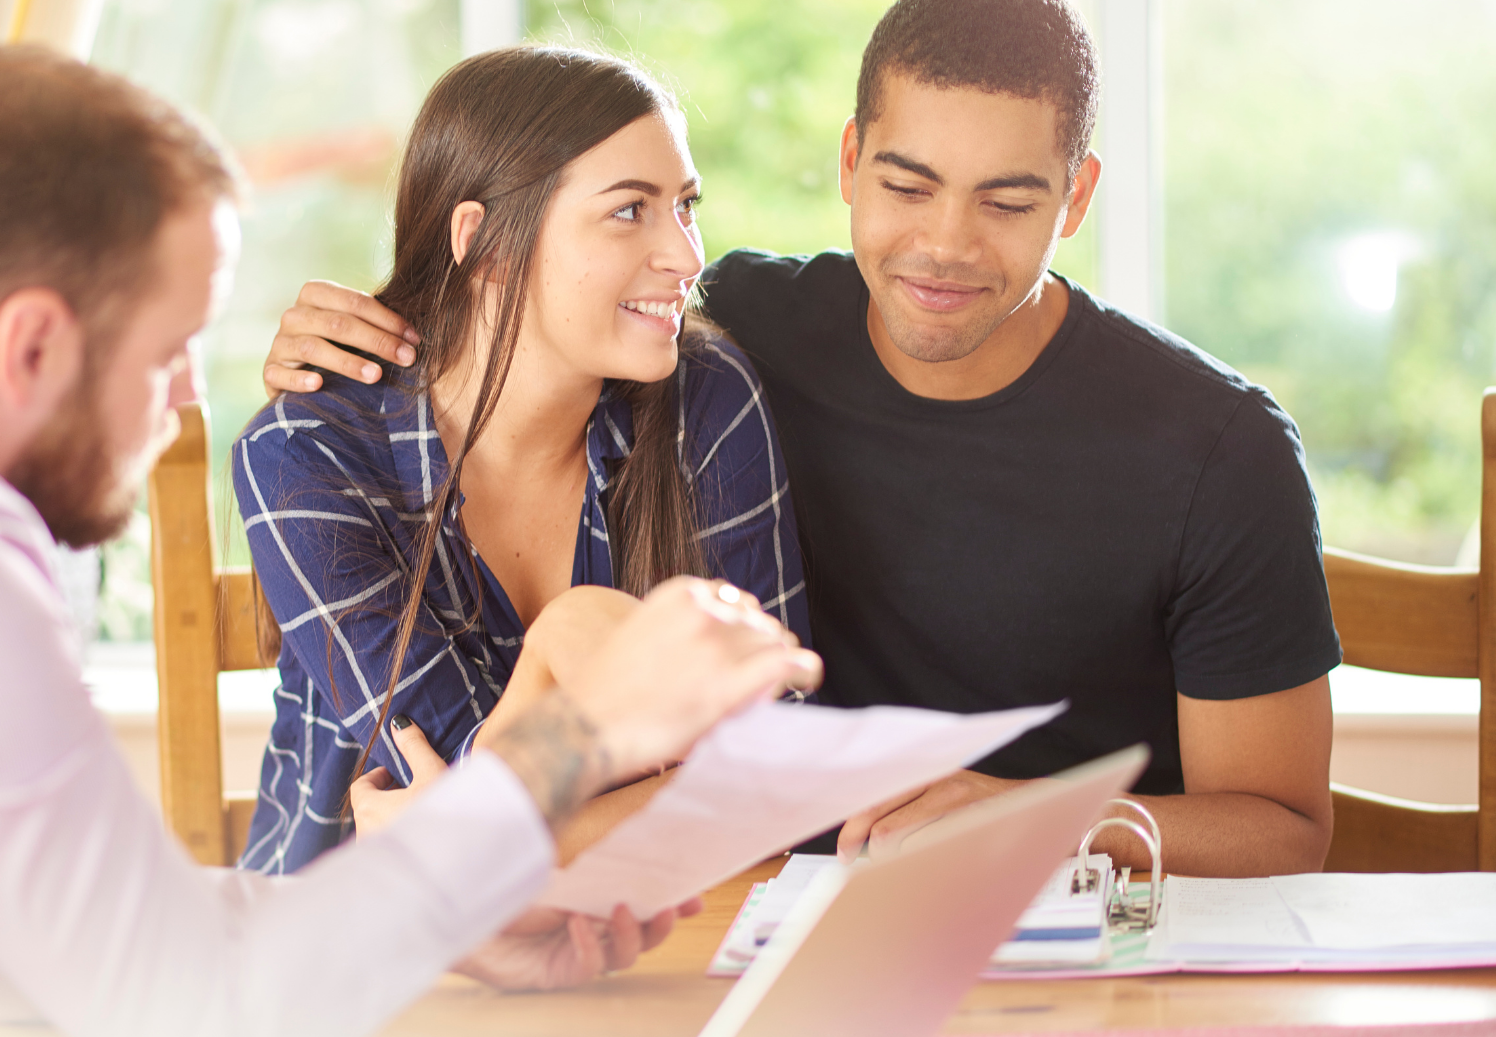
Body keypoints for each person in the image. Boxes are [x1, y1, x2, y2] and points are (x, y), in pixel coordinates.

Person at [0, 48, 821, 1037]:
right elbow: (191, 1020)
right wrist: (574, 734)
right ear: (31, 345)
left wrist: (452, 920)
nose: (187, 396)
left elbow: (35, 949)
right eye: (172, 347)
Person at [260, 0, 1343, 878]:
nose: (946, 246)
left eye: (1007, 204)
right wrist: (360, 340)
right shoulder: (736, 337)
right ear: (848, 163)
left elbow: (1287, 828)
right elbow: (520, 296)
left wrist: (1035, 815)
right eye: (907, 185)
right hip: (715, 916)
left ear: (1076, 199)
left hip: (1048, 924)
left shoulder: (1218, 450)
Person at [233, 47, 810, 874]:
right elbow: (459, 777)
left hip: (645, 930)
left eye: (685, 206)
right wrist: (561, 645)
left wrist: (482, 830)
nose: (687, 257)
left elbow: (779, 768)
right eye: (629, 211)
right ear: (485, 242)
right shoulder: (307, 456)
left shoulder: (706, 398)